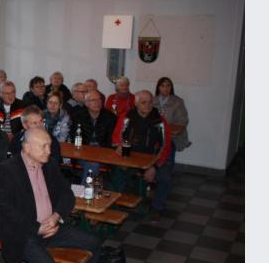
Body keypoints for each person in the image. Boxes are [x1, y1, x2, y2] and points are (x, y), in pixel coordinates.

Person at [0, 128, 104, 263]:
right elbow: (5, 209)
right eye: (43, 146)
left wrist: (56, 216)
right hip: (24, 232)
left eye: (49, 146)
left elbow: (66, 194)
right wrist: (37, 227)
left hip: (52, 226)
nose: (48, 151)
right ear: (27, 148)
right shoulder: (7, 169)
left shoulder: (49, 165)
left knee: (94, 242)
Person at [111, 90, 172, 223]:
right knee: (118, 172)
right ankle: (116, 206)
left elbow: (165, 146)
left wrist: (154, 166)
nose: (148, 105)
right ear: (136, 103)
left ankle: (157, 207)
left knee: (165, 178)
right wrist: (119, 147)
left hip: (153, 159)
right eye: (144, 102)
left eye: (150, 102)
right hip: (130, 158)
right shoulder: (127, 117)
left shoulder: (160, 121)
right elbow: (116, 138)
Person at [72, 90, 117, 183]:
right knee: (93, 165)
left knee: (93, 165)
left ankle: (85, 193)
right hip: (83, 152)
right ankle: (87, 192)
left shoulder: (110, 117)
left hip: (103, 153)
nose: (97, 103)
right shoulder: (78, 115)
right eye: (93, 100)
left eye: (99, 100)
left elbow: (110, 142)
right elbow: (74, 137)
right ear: (86, 103)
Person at [153, 77, 191, 153]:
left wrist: (166, 128)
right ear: (158, 88)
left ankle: (167, 164)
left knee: (166, 146)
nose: (165, 88)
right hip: (154, 133)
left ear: (171, 87)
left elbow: (183, 121)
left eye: (168, 86)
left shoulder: (178, 102)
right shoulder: (152, 100)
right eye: (162, 86)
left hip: (172, 136)